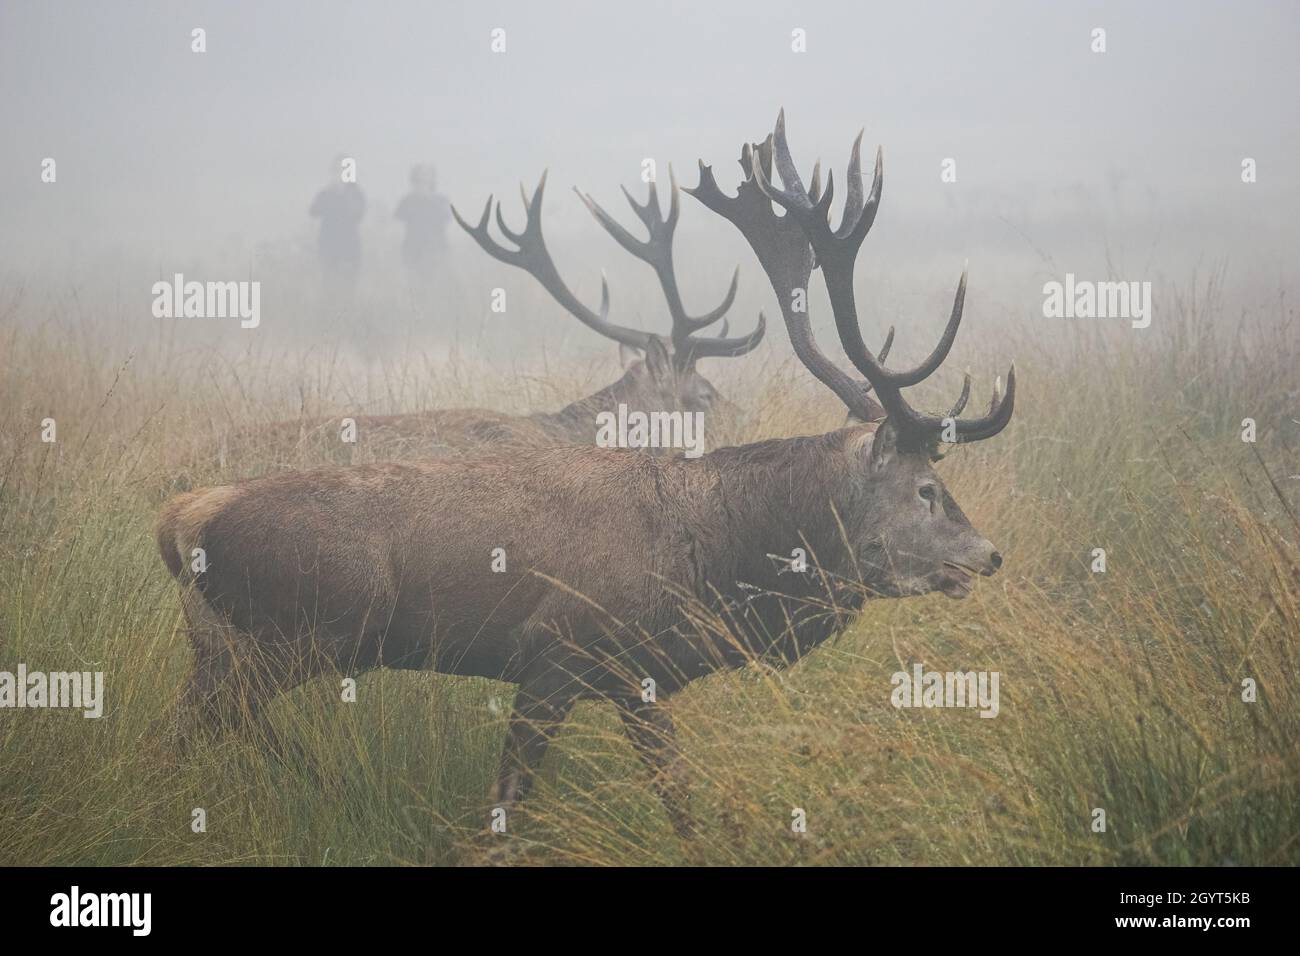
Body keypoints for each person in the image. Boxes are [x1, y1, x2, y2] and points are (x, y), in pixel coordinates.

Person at [309, 155, 366, 287]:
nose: (340, 174)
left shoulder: (356, 192)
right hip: (328, 244)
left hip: (349, 246)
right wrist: (331, 194)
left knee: (348, 285)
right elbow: (313, 211)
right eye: (337, 170)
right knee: (329, 283)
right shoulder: (326, 192)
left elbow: (359, 214)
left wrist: (343, 194)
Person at [394, 164, 451, 275]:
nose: (423, 181)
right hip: (412, 250)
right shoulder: (407, 200)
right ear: (414, 179)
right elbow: (397, 222)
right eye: (420, 178)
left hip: (436, 249)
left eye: (426, 177)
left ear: (432, 180)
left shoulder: (441, 200)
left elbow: (446, 219)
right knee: (414, 285)